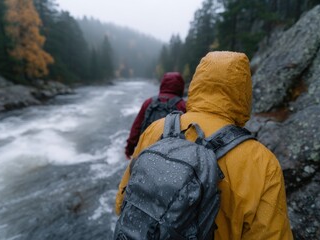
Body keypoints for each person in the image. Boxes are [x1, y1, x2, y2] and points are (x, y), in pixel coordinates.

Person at [116, 51, 293, 239]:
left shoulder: (156, 129)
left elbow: (122, 202)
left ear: (197, 82)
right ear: (244, 91)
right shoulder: (262, 162)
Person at [124, 72, 186, 159]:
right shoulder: (183, 105)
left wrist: (129, 149)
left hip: (146, 152)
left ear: (162, 84)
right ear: (181, 86)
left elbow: (136, 128)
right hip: (172, 157)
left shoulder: (148, 102)